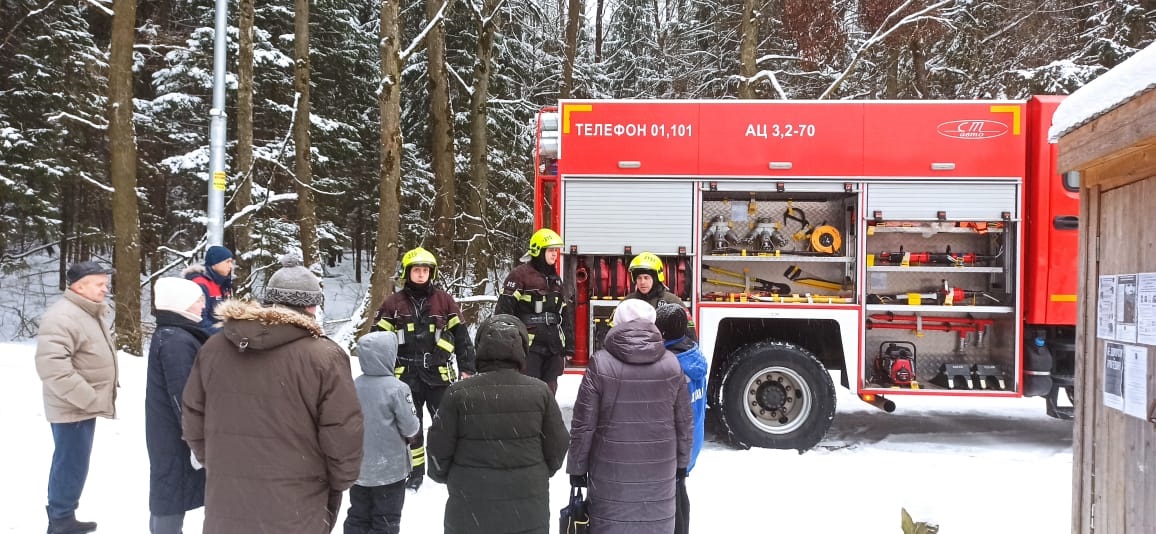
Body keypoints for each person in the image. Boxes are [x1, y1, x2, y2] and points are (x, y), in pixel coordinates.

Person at [182, 254, 363, 533]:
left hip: (228, 498)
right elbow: (343, 432)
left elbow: (193, 415)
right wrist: (338, 481)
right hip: (297, 501)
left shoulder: (215, 348)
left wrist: (222, 462)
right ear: (312, 306)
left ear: (268, 301)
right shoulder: (324, 357)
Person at [427, 314, 569, 534]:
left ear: (480, 348)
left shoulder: (458, 393)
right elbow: (558, 445)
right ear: (522, 349)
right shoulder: (540, 391)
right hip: (527, 508)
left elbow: (438, 450)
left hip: (470, 507)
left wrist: (457, 477)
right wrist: (536, 472)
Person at [566, 299, 693, 534]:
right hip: (659, 470)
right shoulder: (671, 364)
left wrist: (577, 467)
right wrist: (682, 463)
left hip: (610, 471)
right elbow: (684, 422)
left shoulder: (600, 363)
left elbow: (583, 424)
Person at [371, 246, 476, 491]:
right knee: (411, 426)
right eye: (416, 270)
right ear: (407, 273)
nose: (421, 274)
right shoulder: (393, 303)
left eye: (425, 270)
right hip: (405, 377)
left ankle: (443, 467)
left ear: (432, 273)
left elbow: (461, 336)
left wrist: (467, 368)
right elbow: (376, 340)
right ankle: (416, 472)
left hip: (438, 376)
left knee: (445, 424)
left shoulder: (444, 300)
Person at [34, 260, 117, 534]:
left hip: (82, 405)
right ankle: (60, 520)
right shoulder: (63, 316)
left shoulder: (88, 312)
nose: (105, 289)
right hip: (72, 405)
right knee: (70, 462)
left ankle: (64, 515)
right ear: (79, 286)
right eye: (99, 284)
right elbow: (52, 366)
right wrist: (88, 397)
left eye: (106, 283)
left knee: (74, 462)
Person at [145, 278, 210, 534]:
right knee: (170, 491)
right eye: (197, 300)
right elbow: (184, 396)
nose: (203, 305)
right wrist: (197, 439)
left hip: (172, 430)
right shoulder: (176, 341)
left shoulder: (176, 334)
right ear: (180, 304)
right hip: (174, 434)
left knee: (170, 489)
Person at [344, 331, 421, 534]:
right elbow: (411, 427)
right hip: (390, 470)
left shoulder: (353, 385)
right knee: (386, 520)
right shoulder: (397, 389)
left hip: (359, 467)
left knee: (357, 516)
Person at [495, 228, 573, 393]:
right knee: (528, 392)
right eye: (551, 250)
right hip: (528, 347)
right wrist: (505, 345)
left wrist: (569, 345)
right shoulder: (519, 275)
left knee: (549, 391)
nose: (554, 254)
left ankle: (546, 418)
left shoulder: (555, 280)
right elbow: (503, 312)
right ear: (538, 250)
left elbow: (564, 313)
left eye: (556, 251)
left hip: (553, 347)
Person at [655, 303, 708, 534]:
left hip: (674, 449)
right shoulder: (694, 355)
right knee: (679, 493)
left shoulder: (670, 365)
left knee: (671, 502)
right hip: (691, 443)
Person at [624, 251, 696, 338]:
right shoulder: (627, 302)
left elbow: (690, 334)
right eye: (639, 278)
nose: (642, 282)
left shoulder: (672, 302)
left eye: (646, 278)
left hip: (666, 350)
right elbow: (612, 332)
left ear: (656, 278)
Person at [183, 245, 234, 333]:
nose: (231, 266)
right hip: (205, 338)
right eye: (227, 262)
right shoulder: (200, 284)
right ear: (215, 263)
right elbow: (198, 320)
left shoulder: (223, 283)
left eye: (231, 262)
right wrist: (225, 333)